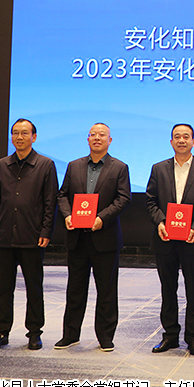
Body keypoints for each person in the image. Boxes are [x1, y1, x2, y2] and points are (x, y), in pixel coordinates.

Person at [54, 123, 131, 352]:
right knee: (75, 289)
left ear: (110, 140)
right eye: (93, 134)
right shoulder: (74, 165)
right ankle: (70, 335)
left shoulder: (119, 167)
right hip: (77, 238)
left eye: (102, 135)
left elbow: (123, 199)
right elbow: (62, 195)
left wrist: (102, 219)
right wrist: (67, 215)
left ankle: (105, 337)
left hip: (105, 237)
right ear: (88, 139)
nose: (97, 138)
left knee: (106, 290)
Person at [145, 124, 194, 356]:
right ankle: (170, 336)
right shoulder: (158, 168)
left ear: (193, 141)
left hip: (192, 239)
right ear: (171, 142)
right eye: (177, 137)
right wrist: (160, 222)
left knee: (193, 290)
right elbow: (150, 201)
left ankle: (193, 339)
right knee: (168, 289)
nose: (181, 140)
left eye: (186, 137)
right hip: (165, 238)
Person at [0, 118, 58, 351]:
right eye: (15, 133)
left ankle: (34, 333)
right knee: (3, 289)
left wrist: (46, 230)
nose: (19, 137)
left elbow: (50, 202)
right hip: (5, 235)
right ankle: (1, 331)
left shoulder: (45, 165)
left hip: (32, 235)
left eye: (24, 133)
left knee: (34, 288)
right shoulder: (2, 165)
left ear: (33, 137)